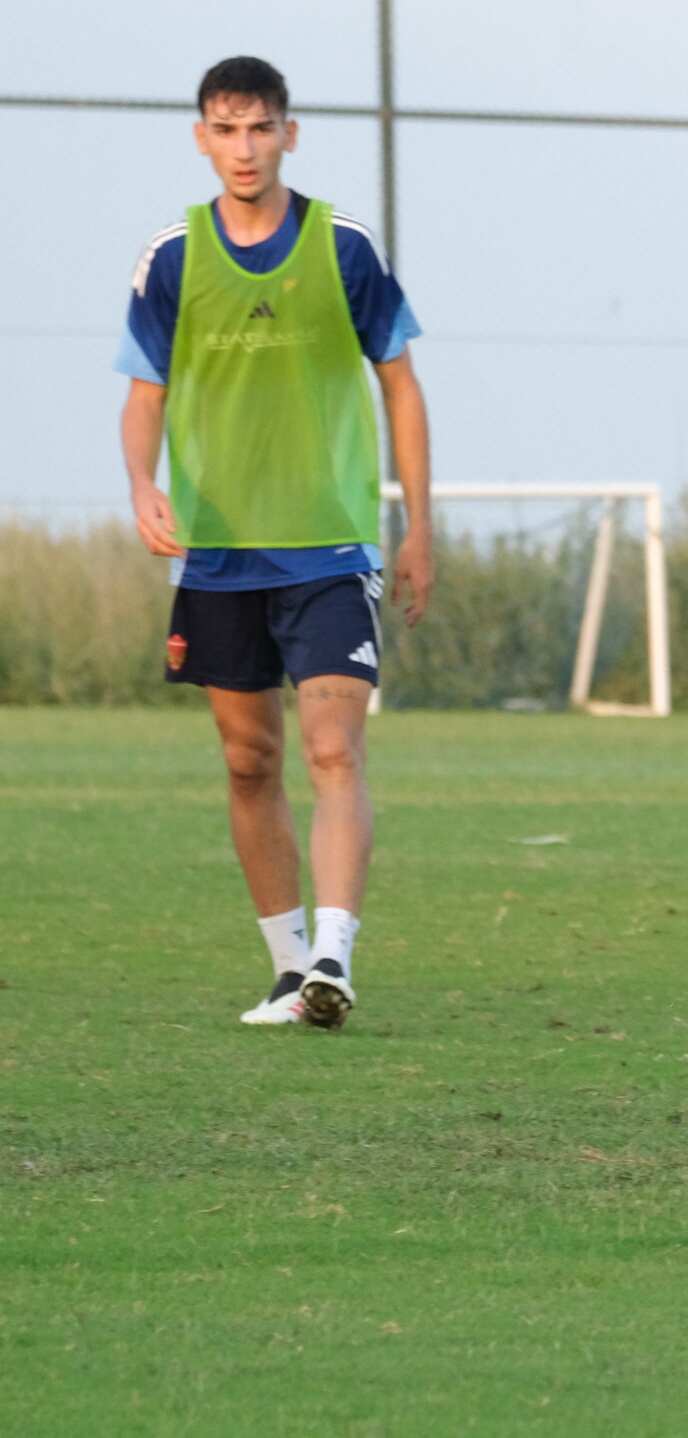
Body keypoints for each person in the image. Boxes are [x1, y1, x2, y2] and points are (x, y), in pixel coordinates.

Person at [116, 56, 433, 1030]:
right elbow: (143, 395)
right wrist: (142, 483)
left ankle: (335, 953)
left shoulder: (343, 246)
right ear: (202, 139)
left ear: (289, 134)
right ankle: (290, 970)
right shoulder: (173, 257)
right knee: (249, 758)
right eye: (226, 129)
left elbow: (400, 384)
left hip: (330, 547)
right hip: (218, 554)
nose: (245, 148)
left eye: (260, 128)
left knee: (333, 746)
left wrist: (418, 523)